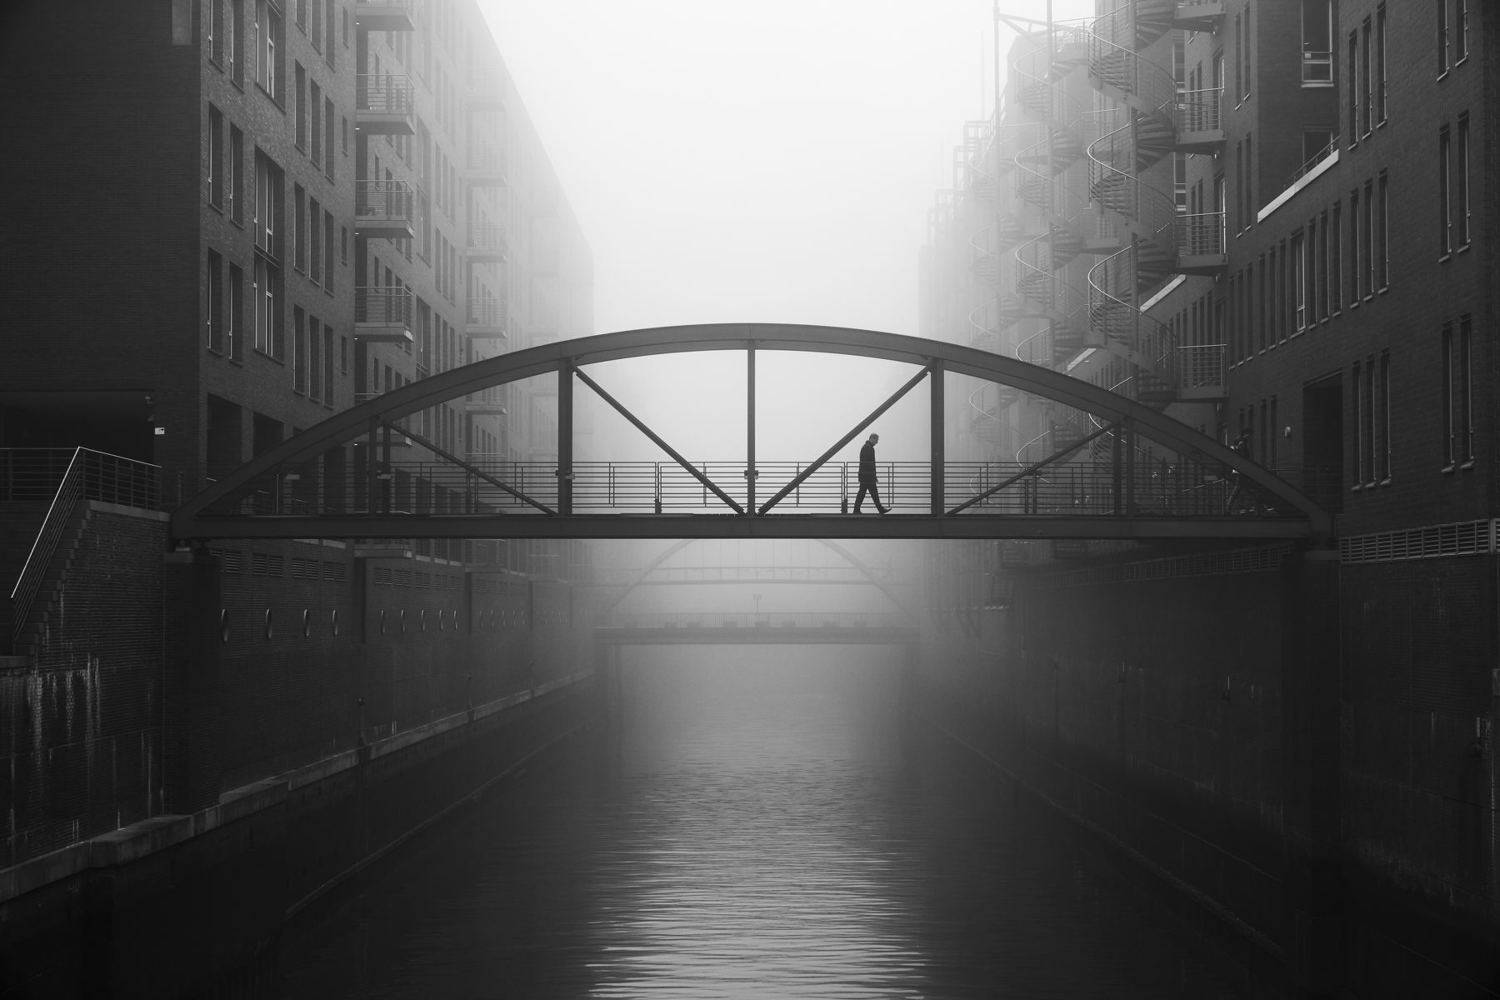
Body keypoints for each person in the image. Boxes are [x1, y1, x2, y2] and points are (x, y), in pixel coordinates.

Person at [853, 432, 889, 514]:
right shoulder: (868, 448)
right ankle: (880, 509)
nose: (877, 442)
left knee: (863, 493)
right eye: (876, 440)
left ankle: (856, 510)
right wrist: (873, 475)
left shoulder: (866, 447)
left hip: (865, 475)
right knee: (872, 493)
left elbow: (867, 463)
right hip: (868, 476)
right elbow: (869, 463)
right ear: (872, 438)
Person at [1225, 428, 1252, 513]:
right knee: (1241, 489)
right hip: (1242, 470)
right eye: (1249, 434)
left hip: (1239, 470)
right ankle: (1232, 507)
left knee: (1240, 489)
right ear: (1246, 434)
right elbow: (1243, 455)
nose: (1250, 437)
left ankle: (1232, 507)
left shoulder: (1239, 441)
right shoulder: (1242, 442)